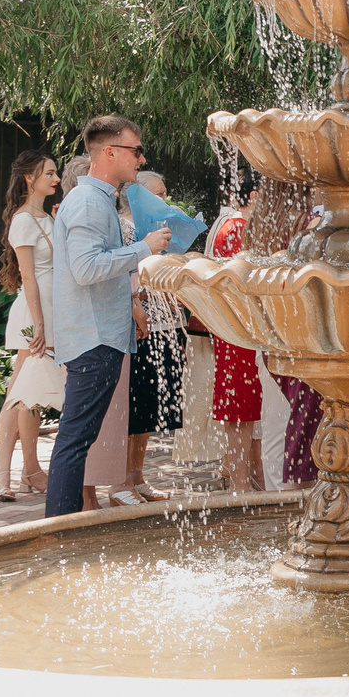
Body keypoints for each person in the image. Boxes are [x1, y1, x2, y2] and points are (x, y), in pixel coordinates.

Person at [43, 116, 182, 518]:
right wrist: (144, 248)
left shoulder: (97, 199)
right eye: (135, 150)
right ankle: (61, 529)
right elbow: (86, 269)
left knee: (78, 437)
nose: (141, 159)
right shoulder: (87, 201)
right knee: (75, 439)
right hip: (94, 338)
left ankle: (61, 526)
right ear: (109, 152)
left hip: (100, 334)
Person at [117, 169, 206, 503]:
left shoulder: (159, 231)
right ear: (139, 197)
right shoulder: (125, 229)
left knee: (151, 407)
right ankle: (122, 480)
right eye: (159, 195)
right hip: (141, 327)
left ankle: (137, 477)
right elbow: (125, 275)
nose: (166, 202)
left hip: (167, 323)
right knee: (136, 404)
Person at [0, 151, 65, 501]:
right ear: (29, 179)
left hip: (51, 311)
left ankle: (27, 471)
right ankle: (4, 473)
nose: (56, 178)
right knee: (20, 394)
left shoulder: (46, 217)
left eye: (56, 172)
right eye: (48, 173)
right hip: (34, 315)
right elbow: (29, 277)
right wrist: (39, 324)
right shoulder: (24, 220)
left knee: (28, 395)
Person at [199, 177, 267, 493]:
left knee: (244, 408)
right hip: (239, 328)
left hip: (237, 329)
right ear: (253, 196)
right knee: (240, 408)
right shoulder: (238, 228)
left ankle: (246, 477)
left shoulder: (230, 225)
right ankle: (241, 483)